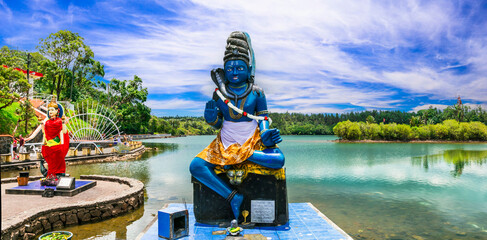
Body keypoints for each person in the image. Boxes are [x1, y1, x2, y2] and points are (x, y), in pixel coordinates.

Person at [189, 31, 285, 220]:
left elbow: (263, 118)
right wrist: (211, 119)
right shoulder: (219, 94)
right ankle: (232, 195)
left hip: (251, 140)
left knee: (278, 160)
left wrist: (265, 134)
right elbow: (218, 124)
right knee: (196, 166)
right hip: (225, 141)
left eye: (240, 68)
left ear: (249, 70)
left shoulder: (257, 93)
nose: (234, 72)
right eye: (230, 68)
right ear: (224, 71)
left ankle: (244, 155)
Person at [40, 95, 70, 183]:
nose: (50, 112)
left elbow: (63, 132)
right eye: (49, 110)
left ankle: (57, 174)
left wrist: (62, 145)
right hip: (49, 144)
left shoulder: (59, 121)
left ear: (57, 111)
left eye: (52, 110)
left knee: (58, 161)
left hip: (57, 144)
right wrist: (43, 143)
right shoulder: (48, 122)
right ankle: (51, 175)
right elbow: (45, 133)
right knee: (51, 162)